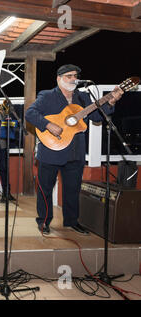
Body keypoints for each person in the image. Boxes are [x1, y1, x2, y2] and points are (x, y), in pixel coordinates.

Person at [25, 64, 123, 235]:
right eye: (68, 76)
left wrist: (111, 101)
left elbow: (96, 116)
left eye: (75, 76)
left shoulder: (83, 97)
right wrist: (48, 125)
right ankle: (44, 222)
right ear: (59, 78)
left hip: (75, 152)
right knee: (45, 189)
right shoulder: (47, 95)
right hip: (51, 150)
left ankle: (71, 221)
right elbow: (30, 113)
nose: (73, 79)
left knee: (72, 190)